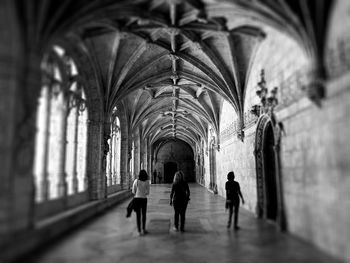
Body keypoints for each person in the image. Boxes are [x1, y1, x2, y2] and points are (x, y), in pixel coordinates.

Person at [132, 169, 150, 236]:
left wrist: (138, 192)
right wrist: (143, 193)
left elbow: (133, 191)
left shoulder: (136, 181)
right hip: (144, 199)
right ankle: (144, 229)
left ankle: (139, 231)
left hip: (137, 199)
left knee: (138, 215)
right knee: (144, 214)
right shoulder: (147, 182)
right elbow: (147, 192)